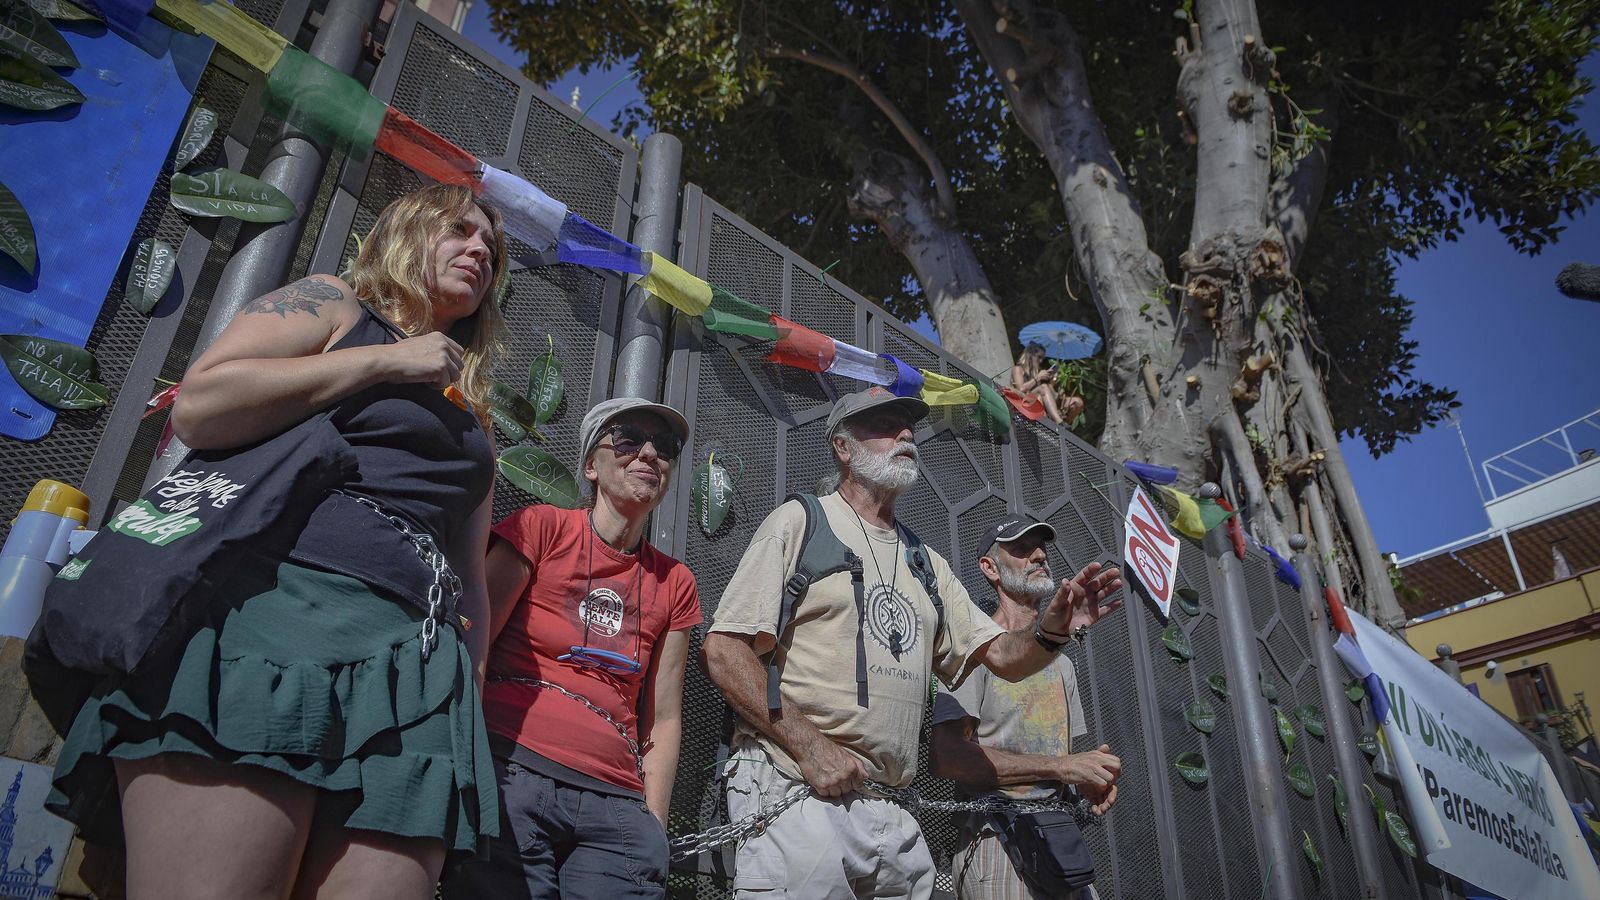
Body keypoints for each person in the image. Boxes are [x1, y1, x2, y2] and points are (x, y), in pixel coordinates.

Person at [46, 183, 509, 900]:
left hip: (415, 679)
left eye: (492, 247)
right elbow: (203, 406)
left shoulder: (473, 415)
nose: (480, 249)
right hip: (271, 619)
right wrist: (388, 361)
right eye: (459, 230)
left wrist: (465, 698)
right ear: (404, 232)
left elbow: (471, 576)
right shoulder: (334, 304)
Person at [702, 386, 1123, 899]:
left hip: (892, 809)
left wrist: (1052, 630)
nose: (905, 434)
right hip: (794, 784)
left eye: (909, 426)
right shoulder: (801, 521)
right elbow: (725, 651)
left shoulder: (926, 562)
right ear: (843, 447)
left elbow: (1006, 660)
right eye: (884, 424)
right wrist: (811, 749)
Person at [444, 398, 701, 899]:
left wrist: (653, 821)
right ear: (591, 465)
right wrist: (466, 763)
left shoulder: (676, 583)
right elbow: (472, 638)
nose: (649, 454)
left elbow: (665, 716)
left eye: (664, 447)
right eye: (628, 439)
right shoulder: (540, 528)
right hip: (511, 770)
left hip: (617, 804)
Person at [930, 515, 1123, 900]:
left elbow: (1065, 762)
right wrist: (1061, 766)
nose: (1038, 555)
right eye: (1020, 549)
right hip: (995, 840)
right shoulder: (977, 649)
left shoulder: (1061, 663)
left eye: (1041, 548)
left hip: (1058, 844)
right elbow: (947, 757)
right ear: (990, 568)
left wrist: (1086, 779)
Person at [1010, 342, 1083, 425]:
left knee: (1078, 402)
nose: (1040, 361)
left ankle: (1064, 423)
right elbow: (1020, 389)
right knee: (1043, 388)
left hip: (1038, 402)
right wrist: (1038, 377)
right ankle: (1059, 422)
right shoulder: (1018, 369)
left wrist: (1054, 382)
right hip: (1023, 402)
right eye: (1039, 357)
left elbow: (1050, 396)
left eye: (1042, 359)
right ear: (1030, 355)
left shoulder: (1036, 374)